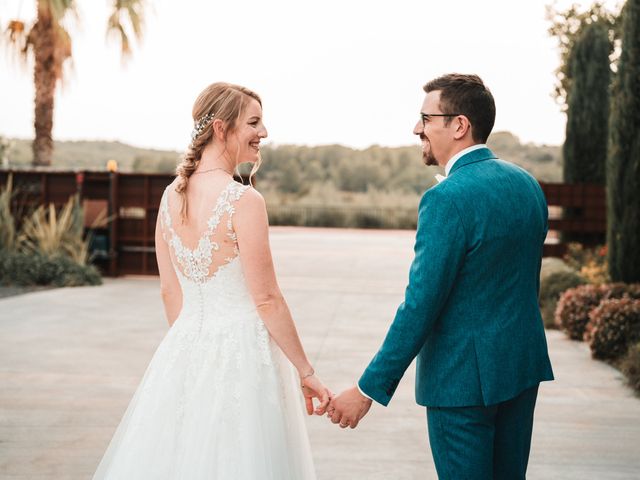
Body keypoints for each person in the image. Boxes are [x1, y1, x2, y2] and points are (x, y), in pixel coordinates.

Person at [93, 82, 330, 479]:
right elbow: (267, 299)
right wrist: (306, 372)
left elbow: (171, 292)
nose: (264, 133)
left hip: (183, 351)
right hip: (244, 357)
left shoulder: (170, 198)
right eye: (254, 122)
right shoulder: (245, 201)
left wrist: (194, 354)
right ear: (221, 128)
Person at [328, 73, 554, 480]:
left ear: (459, 125)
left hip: (462, 383)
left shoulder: (446, 199)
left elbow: (420, 306)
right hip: (521, 368)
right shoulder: (527, 185)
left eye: (426, 118)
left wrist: (366, 390)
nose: (418, 128)